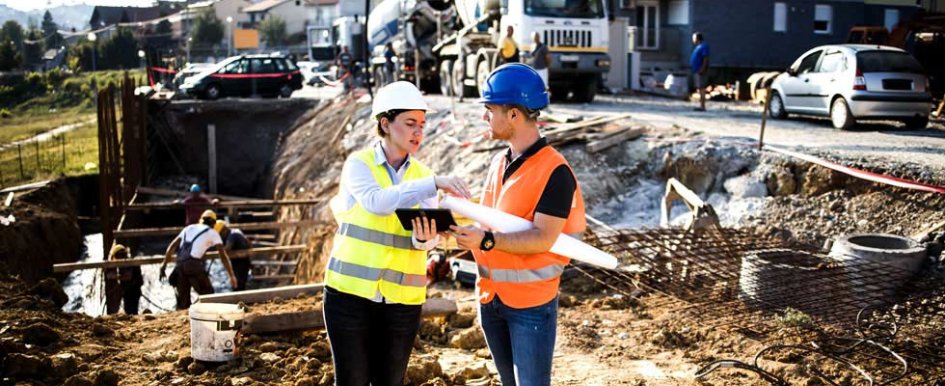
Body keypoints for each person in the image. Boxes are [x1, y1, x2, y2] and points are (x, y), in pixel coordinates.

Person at [323, 80, 471, 386]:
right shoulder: (358, 165)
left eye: (422, 124)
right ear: (385, 123)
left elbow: (428, 241)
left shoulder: (423, 175)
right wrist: (433, 184)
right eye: (410, 123)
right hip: (349, 296)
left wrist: (423, 240)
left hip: (402, 301)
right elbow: (377, 203)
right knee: (351, 381)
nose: (419, 131)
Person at [450, 63, 587, 386]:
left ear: (513, 115)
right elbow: (489, 219)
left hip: (530, 305)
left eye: (489, 109)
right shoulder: (500, 162)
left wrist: (484, 241)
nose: (484, 117)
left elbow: (542, 238)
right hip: (490, 297)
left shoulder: (556, 172)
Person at [160, 209, 238, 310]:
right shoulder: (213, 233)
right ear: (214, 223)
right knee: (209, 297)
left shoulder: (188, 228)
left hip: (179, 266)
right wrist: (231, 275)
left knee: (183, 303)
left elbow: (172, 247)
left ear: (201, 220)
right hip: (193, 265)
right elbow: (223, 256)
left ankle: (186, 323)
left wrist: (164, 265)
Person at [104, 244, 144, 315]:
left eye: (116, 256)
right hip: (128, 290)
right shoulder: (124, 262)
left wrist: (115, 277)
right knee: (129, 310)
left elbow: (128, 276)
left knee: (131, 311)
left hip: (133, 290)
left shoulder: (128, 263)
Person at [215, 220, 252, 291]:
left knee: (238, 283)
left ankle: (239, 299)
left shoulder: (232, 235)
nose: (220, 236)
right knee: (241, 282)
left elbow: (227, 248)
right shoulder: (236, 231)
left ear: (224, 230)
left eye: (220, 234)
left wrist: (219, 248)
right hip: (244, 260)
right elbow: (248, 242)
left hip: (240, 262)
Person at [690, 32, 710, 111]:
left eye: (693, 38)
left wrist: (702, 69)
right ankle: (701, 105)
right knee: (700, 88)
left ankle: (702, 106)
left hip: (701, 70)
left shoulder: (703, 46)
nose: (692, 40)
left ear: (697, 38)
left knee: (702, 88)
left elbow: (706, 58)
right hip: (697, 70)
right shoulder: (698, 47)